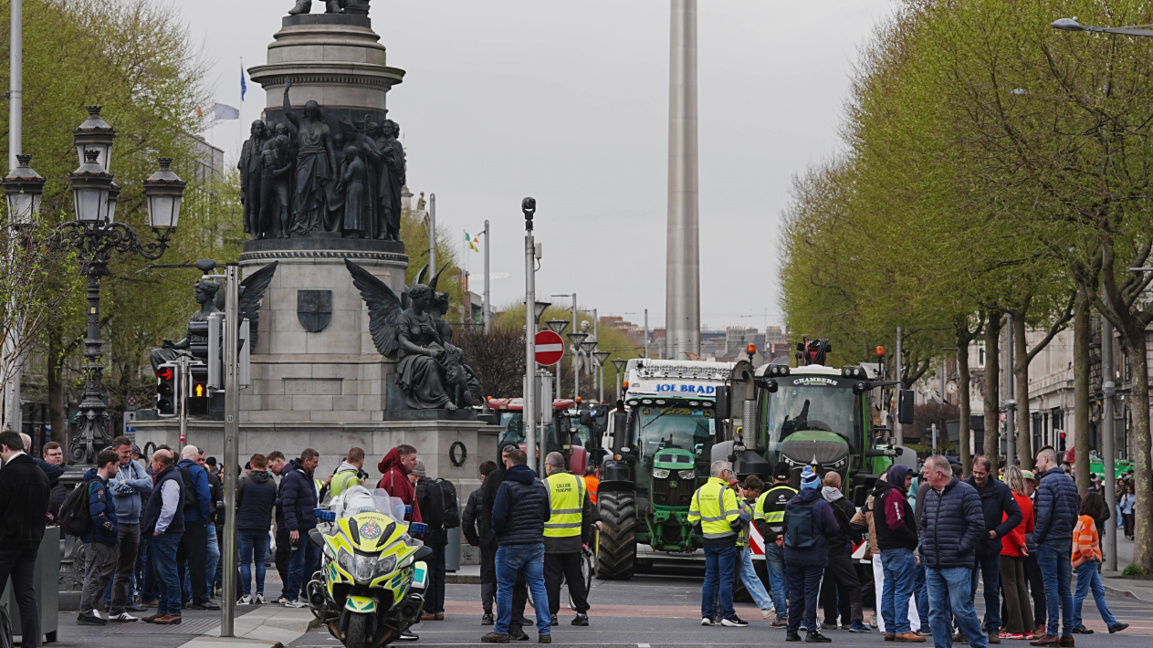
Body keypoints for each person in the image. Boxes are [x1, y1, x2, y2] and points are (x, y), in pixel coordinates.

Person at [482, 449, 552, 644]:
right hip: (535, 544)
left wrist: (499, 533)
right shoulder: (539, 484)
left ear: (509, 464)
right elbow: (546, 515)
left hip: (510, 544)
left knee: (505, 587)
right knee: (538, 586)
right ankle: (545, 631)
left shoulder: (507, 486)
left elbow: (498, 516)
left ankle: (501, 630)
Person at [920, 455, 987, 648]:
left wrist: (960, 548)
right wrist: (924, 544)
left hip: (957, 563)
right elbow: (923, 524)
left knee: (961, 609)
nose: (923, 475)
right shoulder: (930, 494)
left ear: (939, 473)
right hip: (934, 563)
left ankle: (979, 644)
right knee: (936, 612)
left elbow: (976, 525)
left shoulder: (967, 492)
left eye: (926, 471)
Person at [0, 430, 52, 647]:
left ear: (4, 447)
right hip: (30, 545)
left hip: (5, 545)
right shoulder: (40, 474)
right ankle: (32, 644)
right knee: (27, 597)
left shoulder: (8, 474)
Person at [965, 455, 1022, 644]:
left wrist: (998, 532)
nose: (977, 476)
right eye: (974, 472)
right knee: (966, 589)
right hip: (970, 546)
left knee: (991, 588)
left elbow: (1016, 515)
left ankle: (992, 627)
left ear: (990, 472)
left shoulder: (1001, 490)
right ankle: (964, 626)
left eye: (981, 473)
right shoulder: (965, 486)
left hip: (990, 545)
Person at [542, 451, 601, 627]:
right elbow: (587, 512)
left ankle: (552, 615)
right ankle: (582, 613)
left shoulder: (545, 485)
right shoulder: (578, 482)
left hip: (551, 540)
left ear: (550, 466)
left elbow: (540, 513)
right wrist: (585, 539)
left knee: (551, 579)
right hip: (573, 540)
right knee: (576, 578)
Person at [1028, 447, 1079, 647]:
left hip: (1049, 540)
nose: (1036, 465)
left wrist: (1036, 538)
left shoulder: (1047, 482)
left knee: (1049, 587)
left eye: (1038, 461)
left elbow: (1044, 514)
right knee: (1064, 589)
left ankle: (1051, 632)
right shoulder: (1069, 481)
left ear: (1047, 459)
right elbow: (1075, 511)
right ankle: (1067, 632)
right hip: (1065, 538)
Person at [782, 466, 839, 643]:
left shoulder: (791, 503)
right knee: (811, 594)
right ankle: (812, 631)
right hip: (814, 555)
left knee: (795, 593)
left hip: (792, 554)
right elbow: (833, 528)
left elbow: (785, 528)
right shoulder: (821, 505)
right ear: (817, 486)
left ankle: (791, 631)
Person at [481, 442, 532, 640]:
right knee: (500, 584)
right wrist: (487, 533)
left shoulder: (525, 478)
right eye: (504, 454)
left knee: (518, 583)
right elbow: (485, 506)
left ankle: (515, 623)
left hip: (518, 537)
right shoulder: (495, 477)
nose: (506, 458)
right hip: (498, 539)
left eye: (510, 454)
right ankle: (504, 621)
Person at [688, 460, 746, 628]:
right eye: (728, 471)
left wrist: (705, 531)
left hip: (709, 541)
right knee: (726, 579)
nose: (729, 474)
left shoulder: (699, 492)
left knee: (710, 578)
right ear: (723, 473)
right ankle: (727, 615)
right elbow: (733, 519)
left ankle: (707, 615)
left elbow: (692, 519)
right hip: (726, 541)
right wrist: (737, 528)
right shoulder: (726, 492)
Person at [875, 464, 922, 642]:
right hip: (899, 548)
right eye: (908, 479)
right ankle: (902, 627)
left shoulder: (881, 494)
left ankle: (891, 628)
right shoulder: (894, 494)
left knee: (889, 588)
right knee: (902, 590)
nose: (910, 483)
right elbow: (896, 522)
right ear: (898, 478)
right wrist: (912, 539)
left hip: (886, 549)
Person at [107, 436, 152, 621]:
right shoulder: (111, 466)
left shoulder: (134, 465)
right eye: (125, 452)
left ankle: (118, 608)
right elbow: (115, 489)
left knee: (127, 568)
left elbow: (148, 484)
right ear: (115, 450)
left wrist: (129, 483)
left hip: (134, 523)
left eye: (130, 452)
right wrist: (135, 486)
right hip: (118, 522)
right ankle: (97, 605)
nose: (128, 455)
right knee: (108, 566)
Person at [1070, 492, 1128, 636]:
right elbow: (1085, 548)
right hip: (1087, 562)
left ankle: (1111, 622)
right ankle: (1075, 623)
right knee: (1081, 593)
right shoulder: (1088, 521)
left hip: (1083, 562)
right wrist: (1096, 556)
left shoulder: (1081, 519)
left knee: (1098, 591)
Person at [820, 471, 868, 633]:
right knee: (849, 584)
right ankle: (849, 619)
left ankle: (830, 619)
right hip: (842, 549)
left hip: (824, 550)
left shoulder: (820, 502)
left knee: (828, 585)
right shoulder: (846, 505)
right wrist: (857, 539)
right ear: (839, 485)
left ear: (824, 484)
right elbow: (853, 527)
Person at [78, 451, 121, 625]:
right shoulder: (98, 486)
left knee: (94, 573)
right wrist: (112, 528)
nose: (118, 470)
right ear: (109, 465)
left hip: (96, 537)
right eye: (117, 466)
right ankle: (86, 611)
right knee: (93, 574)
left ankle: (86, 610)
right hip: (97, 538)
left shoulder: (97, 483)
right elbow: (98, 514)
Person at [142, 449, 185, 625]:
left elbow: (169, 508)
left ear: (159, 463)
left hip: (166, 533)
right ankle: (164, 610)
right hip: (163, 532)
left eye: (152, 462)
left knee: (167, 572)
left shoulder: (170, 480)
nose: (151, 465)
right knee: (161, 573)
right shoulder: (167, 477)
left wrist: (159, 529)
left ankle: (173, 610)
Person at [754, 461, 797, 628]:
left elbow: (759, 520)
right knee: (793, 580)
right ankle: (795, 615)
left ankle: (781, 617)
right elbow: (803, 520)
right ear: (790, 478)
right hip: (792, 545)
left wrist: (774, 537)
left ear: (773, 478)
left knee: (777, 581)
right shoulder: (797, 495)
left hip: (773, 545)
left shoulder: (765, 496)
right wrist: (786, 537)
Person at [175, 445, 216, 610]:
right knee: (196, 562)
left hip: (177, 522)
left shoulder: (175, 470)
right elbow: (204, 496)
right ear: (195, 457)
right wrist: (204, 517)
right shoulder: (198, 472)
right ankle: (199, 597)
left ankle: (179, 597)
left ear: (183, 455)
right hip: (195, 521)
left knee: (178, 561)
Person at [281, 448, 321, 608]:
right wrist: (293, 527)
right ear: (307, 461)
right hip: (299, 528)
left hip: (310, 526)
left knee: (312, 561)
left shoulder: (306, 476)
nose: (316, 465)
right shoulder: (294, 477)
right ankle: (291, 596)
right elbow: (288, 503)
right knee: (297, 562)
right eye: (315, 462)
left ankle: (306, 594)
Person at [999, 466, 1035, 640]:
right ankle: (1028, 627)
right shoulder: (1027, 500)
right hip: (1021, 546)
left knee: (1010, 588)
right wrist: (1022, 541)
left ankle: (1014, 628)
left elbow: (1007, 524)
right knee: (1021, 587)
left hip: (1007, 545)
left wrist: (1018, 542)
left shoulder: (1008, 498)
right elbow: (1030, 527)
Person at [237, 453, 277, 605]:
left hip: (245, 525)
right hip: (262, 526)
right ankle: (260, 593)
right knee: (260, 561)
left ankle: (246, 594)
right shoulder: (272, 484)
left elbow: (238, 501)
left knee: (246, 562)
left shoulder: (244, 481)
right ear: (266, 466)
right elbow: (273, 502)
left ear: (252, 465)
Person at [734, 475, 775, 621]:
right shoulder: (738, 499)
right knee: (742, 577)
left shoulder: (740, 499)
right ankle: (766, 606)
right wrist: (744, 503)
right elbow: (749, 515)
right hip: (737, 544)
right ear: (749, 489)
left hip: (742, 544)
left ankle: (766, 606)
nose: (757, 495)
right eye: (756, 492)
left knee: (748, 576)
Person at [463, 460, 499, 624]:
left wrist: (474, 540)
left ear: (482, 476)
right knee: (502, 575)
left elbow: (467, 521)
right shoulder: (502, 491)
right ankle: (504, 610)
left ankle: (487, 612)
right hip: (502, 539)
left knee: (486, 575)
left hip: (485, 540)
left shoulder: (476, 494)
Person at [414, 461, 449, 621]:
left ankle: (429, 608)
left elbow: (418, 513)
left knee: (428, 571)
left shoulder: (420, 489)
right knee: (440, 573)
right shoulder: (437, 486)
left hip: (428, 536)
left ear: (414, 475)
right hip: (441, 534)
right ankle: (439, 609)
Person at [266, 450, 293, 604]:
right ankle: (288, 590)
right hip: (286, 523)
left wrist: (272, 501)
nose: (271, 470)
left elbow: (285, 501)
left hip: (285, 524)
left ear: (278, 461)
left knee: (283, 559)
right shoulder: (287, 476)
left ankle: (288, 591)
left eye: (271, 466)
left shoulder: (288, 477)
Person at [197, 450, 223, 601]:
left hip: (209, 522)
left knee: (214, 554)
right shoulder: (190, 476)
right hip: (195, 523)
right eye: (198, 459)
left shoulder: (212, 478)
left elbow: (218, 499)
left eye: (203, 459)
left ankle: (207, 589)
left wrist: (214, 517)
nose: (201, 462)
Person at [377, 444, 423, 525]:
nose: (416, 463)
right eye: (413, 459)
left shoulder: (399, 475)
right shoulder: (395, 476)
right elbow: (398, 510)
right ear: (402, 460)